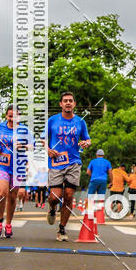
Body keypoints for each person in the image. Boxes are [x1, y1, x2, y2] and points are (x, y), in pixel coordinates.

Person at [44, 92, 91, 242]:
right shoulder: (52, 120)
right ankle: (52, 208)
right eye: (65, 101)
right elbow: (43, 139)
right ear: (61, 104)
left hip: (74, 162)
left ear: (74, 104)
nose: (68, 103)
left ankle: (62, 228)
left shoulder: (80, 122)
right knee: (54, 197)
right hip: (56, 162)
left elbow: (87, 139)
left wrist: (86, 143)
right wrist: (48, 149)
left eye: (70, 100)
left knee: (69, 195)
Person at [0, 105, 33, 238]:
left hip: (17, 166)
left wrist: (23, 145)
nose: (12, 119)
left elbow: (33, 146)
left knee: (13, 197)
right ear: (6, 116)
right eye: (10, 116)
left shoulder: (25, 130)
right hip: (1, 164)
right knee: (2, 193)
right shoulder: (0, 127)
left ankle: (8, 224)